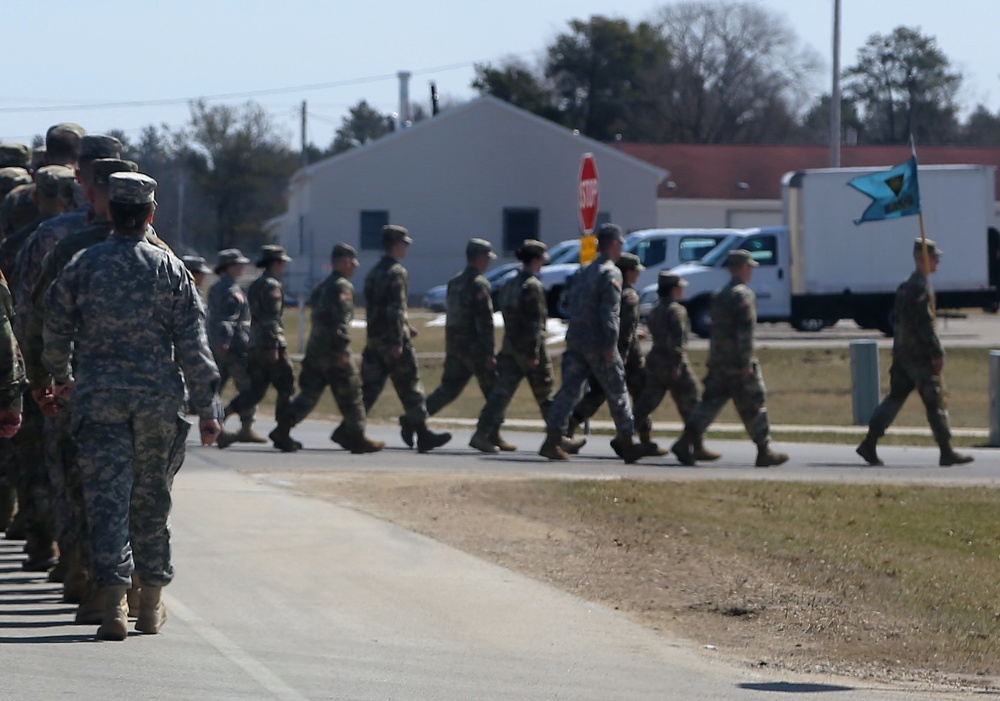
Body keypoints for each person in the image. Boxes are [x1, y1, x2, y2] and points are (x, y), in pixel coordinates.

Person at [42, 172, 222, 640]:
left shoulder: (85, 263)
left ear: (110, 211)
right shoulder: (170, 268)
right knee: (150, 501)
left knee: (107, 502)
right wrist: (208, 408)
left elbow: (54, 325)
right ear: (149, 214)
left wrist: (61, 378)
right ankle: (151, 604)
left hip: (99, 396)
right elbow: (193, 344)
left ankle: (115, 606)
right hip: (157, 400)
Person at [539, 224, 652, 464]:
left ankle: (552, 439)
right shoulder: (611, 273)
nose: (622, 248)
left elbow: (569, 303)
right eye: (620, 243)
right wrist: (611, 345)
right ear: (613, 244)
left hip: (577, 338)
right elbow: (610, 312)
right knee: (617, 390)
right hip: (599, 342)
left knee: (570, 390)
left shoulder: (583, 271)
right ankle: (627, 441)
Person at [857, 239, 973, 467]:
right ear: (922, 259)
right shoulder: (919, 287)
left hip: (902, 353)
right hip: (918, 355)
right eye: (933, 257)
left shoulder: (905, 286)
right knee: (934, 400)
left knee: (895, 398)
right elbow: (923, 324)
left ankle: (869, 442)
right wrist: (936, 352)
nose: (937, 261)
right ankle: (946, 450)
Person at [671, 250, 788, 468]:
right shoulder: (742, 295)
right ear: (740, 268)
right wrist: (745, 362)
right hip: (736, 362)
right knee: (754, 402)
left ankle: (686, 441)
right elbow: (745, 332)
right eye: (749, 266)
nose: (751, 270)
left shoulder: (718, 295)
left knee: (709, 404)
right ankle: (764, 450)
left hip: (719, 360)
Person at [269, 243, 384, 453]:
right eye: (352, 264)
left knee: (310, 393)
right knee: (352, 393)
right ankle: (356, 435)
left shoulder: (322, 286)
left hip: (316, 349)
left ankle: (283, 427)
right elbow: (340, 322)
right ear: (345, 263)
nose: (354, 268)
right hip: (333, 351)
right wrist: (341, 350)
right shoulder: (342, 287)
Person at [362, 224, 450, 453]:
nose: (406, 248)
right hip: (392, 340)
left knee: (369, 389)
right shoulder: (396, 272)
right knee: (410, 386)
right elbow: (395, 308)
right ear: (396, 245)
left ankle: (350, 426)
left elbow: (376, 309)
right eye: (404, 244)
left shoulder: (374, 272)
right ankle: (422, 433)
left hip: (376, 339)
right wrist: (398, 339)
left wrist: (404, 327)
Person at [423, 237, 513, 450]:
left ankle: (414, 419)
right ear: (479, 258)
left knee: (449, 389)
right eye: (487, 258)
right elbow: (484, 320)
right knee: (497, 392)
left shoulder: (455, 282)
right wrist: (489, 352)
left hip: (456, 345)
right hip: (476, 348)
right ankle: (484, 435)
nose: (488, 262)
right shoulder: (479, 284)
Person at [565, 251, 655, 454]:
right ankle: (639, 437)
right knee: (638, 394)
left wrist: (632, 332)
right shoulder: (629, 295)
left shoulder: (612, 290)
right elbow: (623, 330)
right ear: (629, 272)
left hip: (609, 349)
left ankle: (570, 424)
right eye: (635, 271)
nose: (637, 275)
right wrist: (621, 355)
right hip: (627, 356)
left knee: (598, 393)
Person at [470, 239, 554, 453]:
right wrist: (534, 351)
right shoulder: (533, 286)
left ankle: (481, 433)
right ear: (535, 260)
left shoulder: (510, 283)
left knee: (500, 394)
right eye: (541, 259)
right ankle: (557, 438)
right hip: (529, 348)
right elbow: (535, 323)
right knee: (546, 395)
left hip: (510, 347)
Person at [632, 273, 719, 462]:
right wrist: (677, 363)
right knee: (693, 402)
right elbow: (677, 340)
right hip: (672, 363)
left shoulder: (654, 310)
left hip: (655, 361)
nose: (682, 290)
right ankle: (695, 445)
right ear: (673, 289)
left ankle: (624, 436)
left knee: (646, 403)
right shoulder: (676, 311)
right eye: (680, 287)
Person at [217, 245, 295, 450]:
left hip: (253, 344)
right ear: (276, 264)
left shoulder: (255, 284)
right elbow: (271, 319)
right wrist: (273, 346)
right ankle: (283, 431)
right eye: (282, 263)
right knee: (287, 386)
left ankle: (224, 414)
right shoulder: (272, 286)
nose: (284, 267)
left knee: (256, 390)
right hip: (269, 344)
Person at [206, 248, 266, 445]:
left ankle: (215, 424)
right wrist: (226, 340)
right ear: (228, 267)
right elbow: (228, 319)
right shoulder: (232, 290)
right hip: (234, 346)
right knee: (249, 387)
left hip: (217, 344)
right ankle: (244, 426)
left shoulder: (215, 288)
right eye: (238, 264)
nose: (241, 267)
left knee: (217, 387)